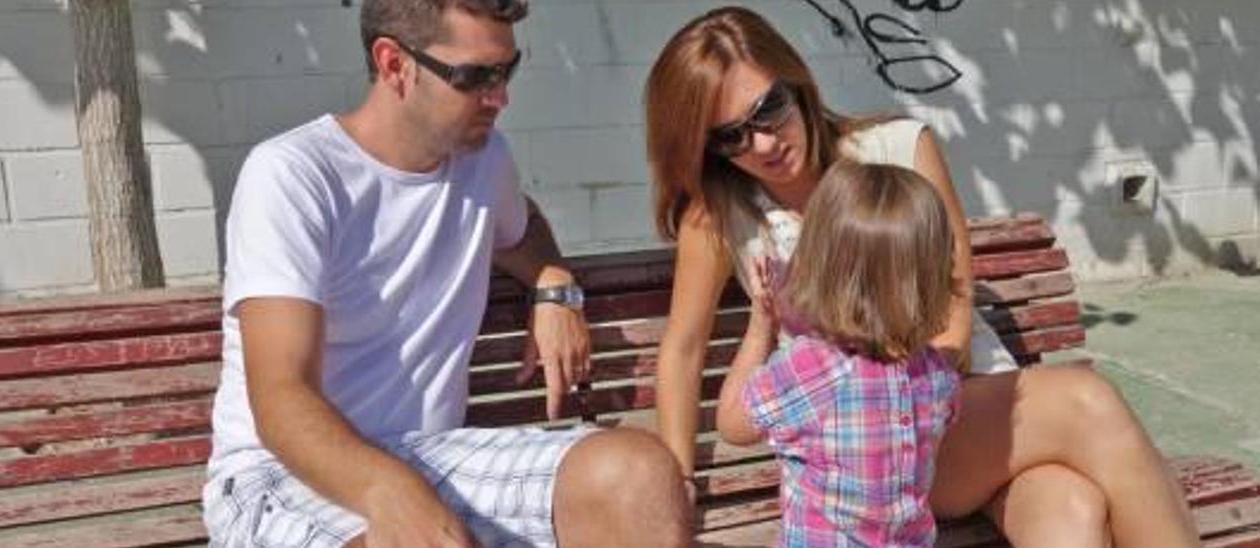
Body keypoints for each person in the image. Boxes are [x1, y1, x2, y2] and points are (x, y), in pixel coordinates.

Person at [644, 7, 1198, 547]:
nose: (762, 143)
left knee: (1071, 510)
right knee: (1086, 400)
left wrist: (921, 381)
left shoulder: (897, 148)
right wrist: (678, 482)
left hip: (951, 395)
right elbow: (684, 348)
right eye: (731, 136)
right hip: (862, 444)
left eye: (768, 109)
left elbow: (954, 299)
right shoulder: (719, 215)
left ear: (797, 82)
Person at [201, 1, 690, 546]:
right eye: (475, 76)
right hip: (278, 472)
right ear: (393, 64)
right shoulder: (295, 176)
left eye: (508, 70)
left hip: (427, 455)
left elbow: (521, 229)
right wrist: (392, 493)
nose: (500, 96)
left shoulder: (483, 159)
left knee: (637, 476)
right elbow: (281, 397)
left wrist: (554, 286)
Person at [717, 161, 964, 546]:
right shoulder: (936, 373)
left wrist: (760, 328)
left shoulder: (813, 367)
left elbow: (732, 424)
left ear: (817, 268)